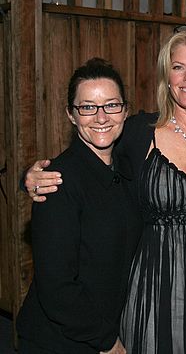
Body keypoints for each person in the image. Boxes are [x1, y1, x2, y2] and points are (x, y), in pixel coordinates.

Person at [22, 27, 186, 353]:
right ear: (167, 75)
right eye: (178, 67)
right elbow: (88, 157)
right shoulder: (138, 133)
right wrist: (31, 176)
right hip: (155, 293)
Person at [16, 58, 142, 353]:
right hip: (62, 340)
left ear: (125, 111)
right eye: (87, 107)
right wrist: (107, 342)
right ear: (71, 115)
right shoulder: (56, 182)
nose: (101, 117)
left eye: (111, 105)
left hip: (103, 327)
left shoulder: (127, 168)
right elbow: (57, 288)